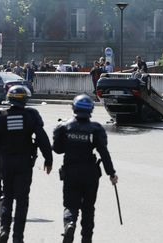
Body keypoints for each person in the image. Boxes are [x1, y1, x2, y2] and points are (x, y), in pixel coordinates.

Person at [0, 85, 53, 243]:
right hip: (24, 161)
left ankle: (4, 230)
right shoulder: (31, 114)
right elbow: (42, 138)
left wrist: (1, 146)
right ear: (25, 99)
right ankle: (18, 237)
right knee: (22, 200)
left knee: (7, 196)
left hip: (6, 161)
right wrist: (48, 159)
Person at [53, 94, 118, 243]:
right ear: (91, 110)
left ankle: (70, 223)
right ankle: (86, 239)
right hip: (90, 174)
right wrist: (111, 173)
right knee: (88, 208)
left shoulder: (64, 126)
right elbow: (103, 152)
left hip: (71, 172)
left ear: (74, 108)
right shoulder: (95, 128)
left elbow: (57, 149)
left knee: (70, 205)